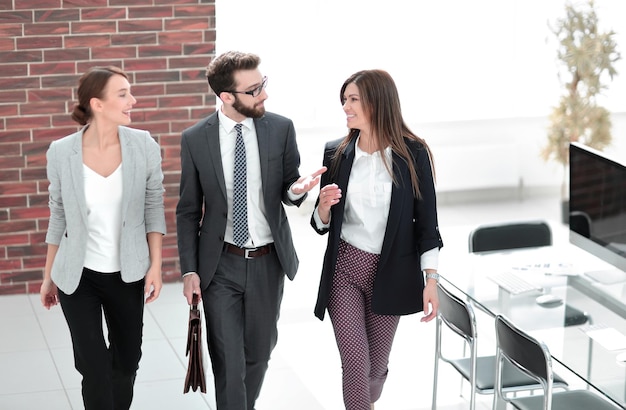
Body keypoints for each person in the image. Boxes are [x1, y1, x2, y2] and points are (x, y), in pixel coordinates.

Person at [176, 50, 325, 410]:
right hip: (220, 265)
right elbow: (188, 211)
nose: (264, 95)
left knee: (259, 354)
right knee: (228, 362)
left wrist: (297, 190)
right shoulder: (196, 139)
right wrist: (190, 270)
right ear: (226, 97)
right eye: (254, 89)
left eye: (263, 85)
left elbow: (288, 189)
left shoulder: (280, 128)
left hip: (267, 262)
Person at [311, 69, 443, 410]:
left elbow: (427, 224)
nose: (346, 107)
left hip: (392, 272)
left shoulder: (413, 154)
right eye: (344, 100)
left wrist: (431, 280)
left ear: (377, 102)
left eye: (353, 99)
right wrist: (323, 208)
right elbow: (322, 222)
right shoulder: (335, 153)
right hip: (345, 268)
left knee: (374, 370)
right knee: (355, 366)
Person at [39, 66, 166, 410]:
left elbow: (154, 207)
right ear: (97, 104)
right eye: (123, 93)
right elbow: (59, 216)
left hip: (128, 274)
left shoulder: (143, 145)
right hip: (77, 277)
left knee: (126, 364)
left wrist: (155, 266)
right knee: (93, 368)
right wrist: (49, 276)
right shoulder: (61, 151)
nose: (132, 100)